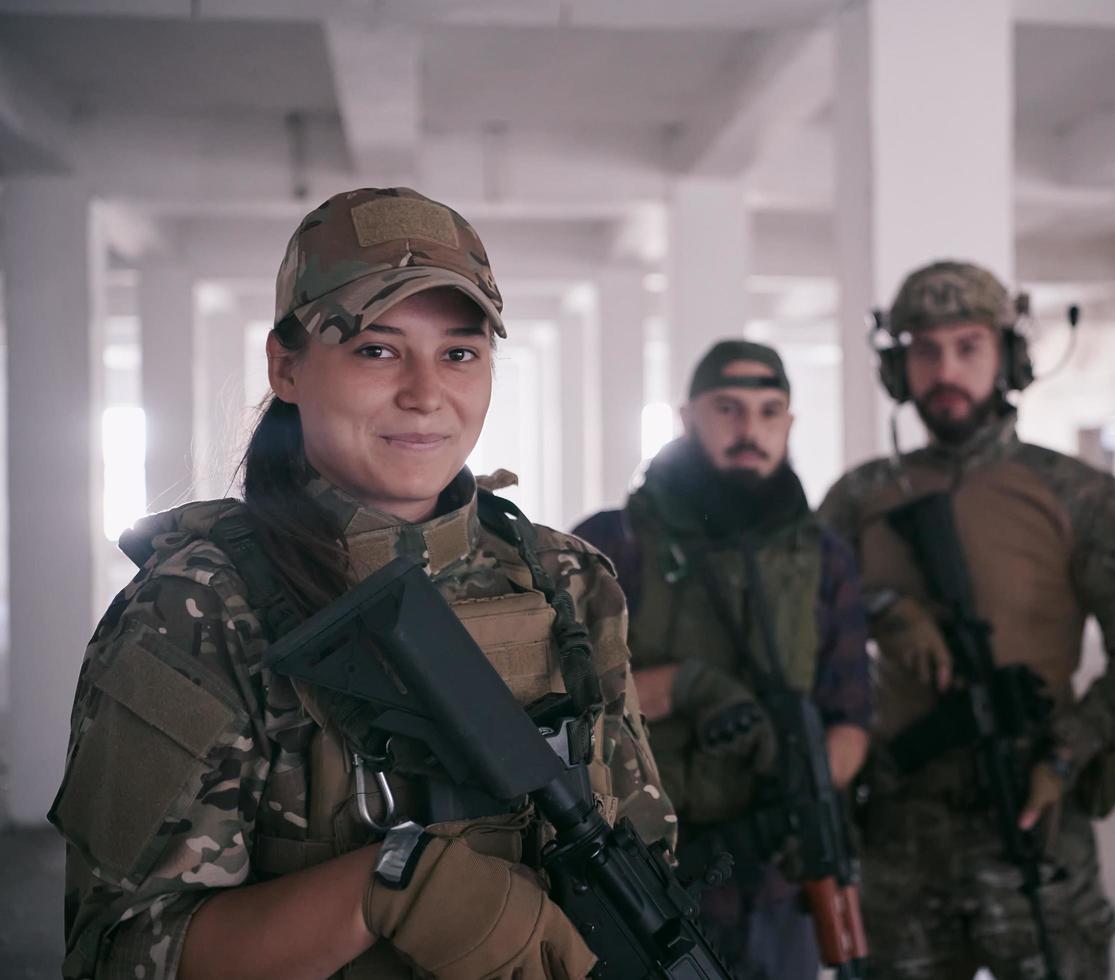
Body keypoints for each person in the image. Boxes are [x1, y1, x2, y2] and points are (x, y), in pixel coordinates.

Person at [50, 187, 672, 980]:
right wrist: (384, 891)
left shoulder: (569, 580)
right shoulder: (198, 607)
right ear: (287, 366)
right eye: (376, 349)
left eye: (459, 352)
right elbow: (120, 951)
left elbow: (647, 846)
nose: (425, 392)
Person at [818, 260, 1115, 980]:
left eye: (968, 347)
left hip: (1034, 817)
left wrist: (1066, 754)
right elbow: (801, 623)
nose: (945, 369)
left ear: (1009, 357)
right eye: (924, 349)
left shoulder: (1083, 496)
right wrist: (888, 612)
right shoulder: (859, 498)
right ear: (899, 368)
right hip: (900, 828)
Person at [574, 339, 872, 979]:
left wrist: (808, 778)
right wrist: (686, 687)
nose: (750, 430)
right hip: (641, 872)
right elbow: (568, 705)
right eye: (728, 409)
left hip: (775, 882)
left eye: (770, 412)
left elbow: (851, 716)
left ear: (789, 425)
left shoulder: (824, 556)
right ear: (688, 419)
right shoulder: (610, 544)